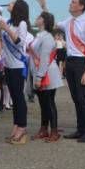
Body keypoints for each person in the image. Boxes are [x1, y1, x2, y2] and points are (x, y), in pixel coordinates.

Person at [38, 0, 85, 143]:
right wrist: (44, 6)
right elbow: (55, 24)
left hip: (81, 62)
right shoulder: (69, 21)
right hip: (70, 61)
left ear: (81, 6)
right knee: (76, 97)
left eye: (74, 2)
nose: (70, 4)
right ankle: (80, 129)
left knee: (82, 98)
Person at [0, 0, 30, 145]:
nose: (8, 5)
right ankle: (16, 125)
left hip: (17, 66)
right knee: (14, 99)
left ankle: (22, 127)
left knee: (18, 98)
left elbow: (21, 42)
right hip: (8, 66)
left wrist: (7, 29)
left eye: (11, 3)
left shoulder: (21, 23)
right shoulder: (9, 22)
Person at [29, 12, 64, 142]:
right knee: (43, 103)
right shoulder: (38, 35)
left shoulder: (47, 37)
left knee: (49, 103)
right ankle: (43, 129)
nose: (36, 18)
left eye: (39, 17)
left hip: (47, 73)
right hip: (40, 72)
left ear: (44, 21)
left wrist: (39, 77)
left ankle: (54, 131)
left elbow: (45, 58)